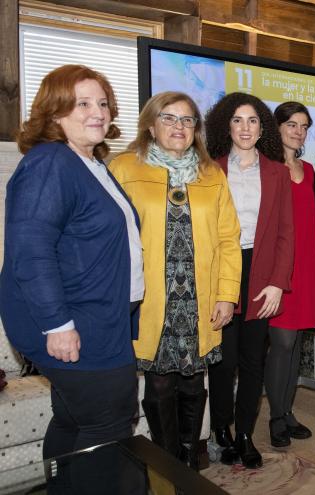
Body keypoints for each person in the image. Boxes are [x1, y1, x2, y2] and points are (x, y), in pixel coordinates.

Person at [0, 65, 142, 458]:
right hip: (78, 322)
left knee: (73, 421)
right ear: (55, 112)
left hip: (102, 318)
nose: (98, 112)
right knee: (110, 427)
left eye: (103, 103)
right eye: (82, 103)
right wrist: (57, 324)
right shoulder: (50, 162)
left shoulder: (92, 164)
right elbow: (30, 250)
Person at [108, 91, 241, 470]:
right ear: (151, 125)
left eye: (187, 120)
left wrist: (227, 295)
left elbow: (228, 238)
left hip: (198, 296)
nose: (179, 127)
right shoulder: (123, 169)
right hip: (152, 296)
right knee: (159, 382)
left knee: (192, 382)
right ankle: (165, 463)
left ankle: (189, 457)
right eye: (169, 118)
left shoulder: (211, 173)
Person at [205, 92, 294, 469]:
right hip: (220, 268)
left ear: (262, 129)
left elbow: (286, 233)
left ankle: (244, 433)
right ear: (227, 125)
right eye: (238, 120)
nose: (245, 128)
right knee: (222, 360)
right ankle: (221, 429)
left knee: (253, 359)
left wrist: (277, 282)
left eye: (253, 121)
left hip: (260, 269)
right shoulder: (208, 169)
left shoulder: (277, 172)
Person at [264, 101, 315, 448]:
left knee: (297, 341)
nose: (298, 132)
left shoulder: (310, 169)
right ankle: (274, 416)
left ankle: (287, 411)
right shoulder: (267, 168)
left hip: (308, 264)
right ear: (277, 127)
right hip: (279, 266)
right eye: (291, 125)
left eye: (303, 126)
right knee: (281, 343)